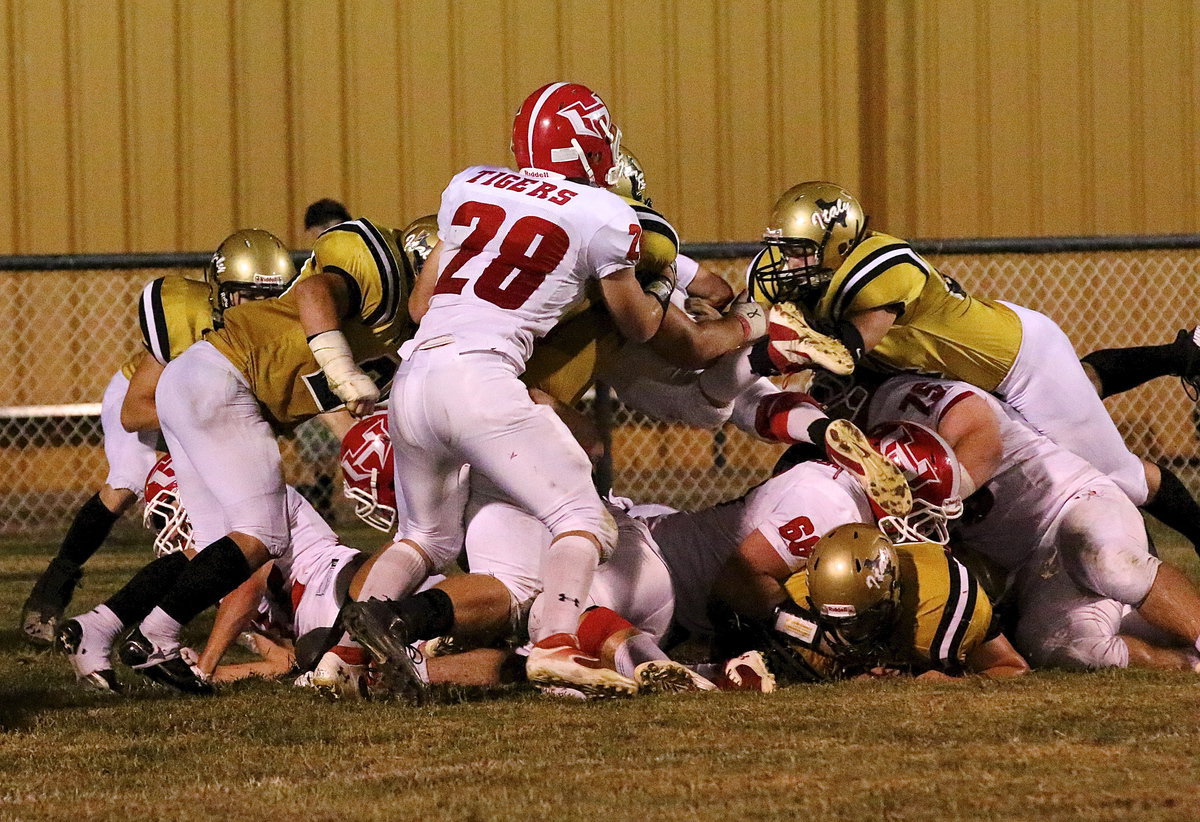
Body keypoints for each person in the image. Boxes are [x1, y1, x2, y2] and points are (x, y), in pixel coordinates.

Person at [61, 217, 411, 694]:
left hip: (202, 385)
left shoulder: (405, 336)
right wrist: (342, 368)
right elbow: (313, 294)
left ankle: (98, 626)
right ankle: (156, 634)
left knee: (213, 548)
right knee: (262, 534)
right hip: (222, 382)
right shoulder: (376, 279)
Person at [748, 181, 1200, 546]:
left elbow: (846, 351)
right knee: (1084, 386)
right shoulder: (798, 276)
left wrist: (772, 352)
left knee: (1121, 476)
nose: (787, 262)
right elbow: (748, 325)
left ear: (840, 245)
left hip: (1021, 362)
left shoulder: (880, 265)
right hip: (956, 364)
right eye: (784, 249)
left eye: (799, 250)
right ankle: (1181, 354)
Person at [865, 373, 1200, 672]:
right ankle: (1187, 661)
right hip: (1032, 567)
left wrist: (943, 497)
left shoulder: (898, 396)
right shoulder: (842, 460)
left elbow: (982, 440)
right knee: (1065, 648)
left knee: (1109, 561)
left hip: (1073, 503)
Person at [18, 272, 212, 646]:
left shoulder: (262, 323)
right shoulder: (194, 312)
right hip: (141, 399)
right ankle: (51, 591)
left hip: (192, 405)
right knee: (129, 480)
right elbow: (134, 413)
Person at [763, 523, 1026, 681]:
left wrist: (955, 683)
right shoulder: (797, 602)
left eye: (862, 620)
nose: (848, 635)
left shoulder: (941, 602)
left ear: (894, 593)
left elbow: (1013, 668)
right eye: (836, 622)